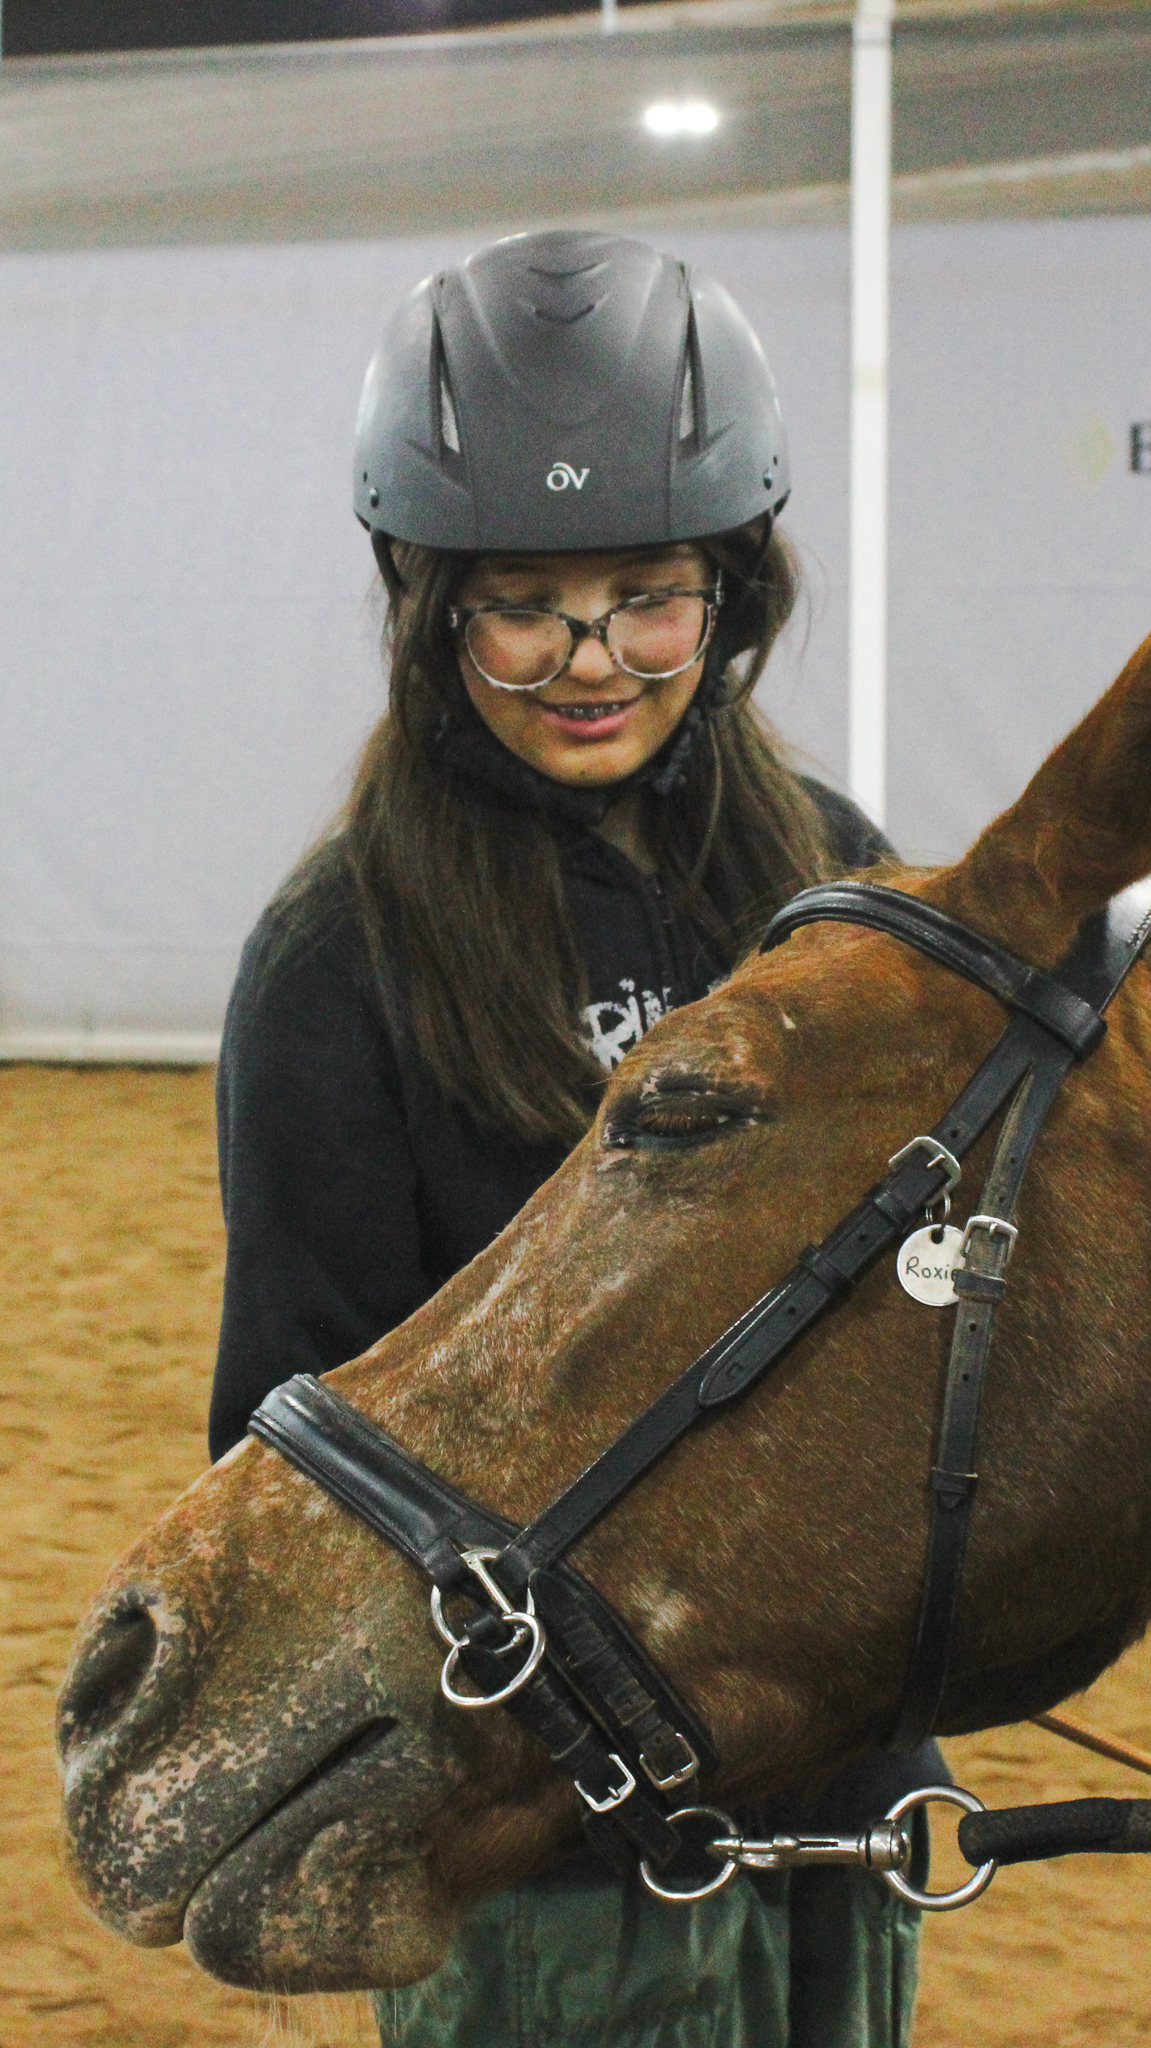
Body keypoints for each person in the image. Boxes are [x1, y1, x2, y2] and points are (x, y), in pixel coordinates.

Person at [209, 229, 944, 2048]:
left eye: (651, 594)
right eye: (524, 604)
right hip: (543, 1841)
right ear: (428, 609)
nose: (591, 659)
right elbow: (283, 1430)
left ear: (735, 595)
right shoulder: (341, 958)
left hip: (832, 1796)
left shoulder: (837, 877)